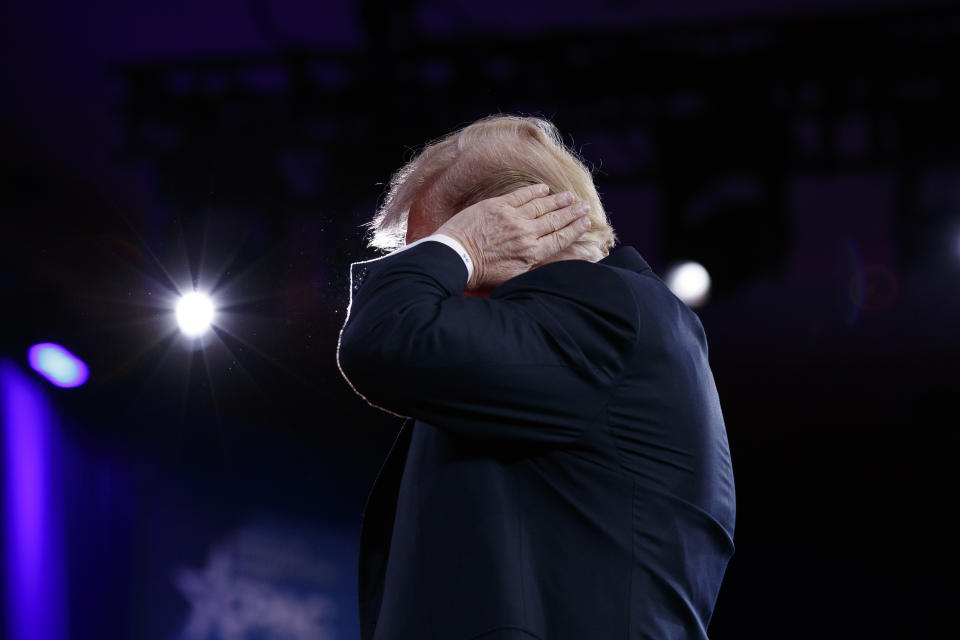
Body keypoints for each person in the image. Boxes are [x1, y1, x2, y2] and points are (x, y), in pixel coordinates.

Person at [337, 115, 736, 639]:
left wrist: (460, 246)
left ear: (513, 225)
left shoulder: (604, 311)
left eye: (449, 254)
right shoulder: (592, 334)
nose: (443, 281)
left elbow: (384, 339)